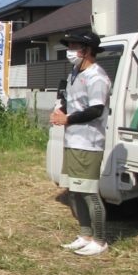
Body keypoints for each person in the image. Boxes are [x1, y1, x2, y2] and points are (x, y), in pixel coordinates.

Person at [50, 31, 112, 257]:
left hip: (89, 142)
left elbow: (96, 110)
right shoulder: (75, 73)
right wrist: (61, 110)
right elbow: (71, 101)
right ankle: (85, 234)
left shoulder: (97, 77)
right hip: (72, 140)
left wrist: (67, 118)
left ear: (87, 51)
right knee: (74, 191)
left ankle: (100, 239)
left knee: (89, 193)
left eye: (74, 46)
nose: (70, 51)